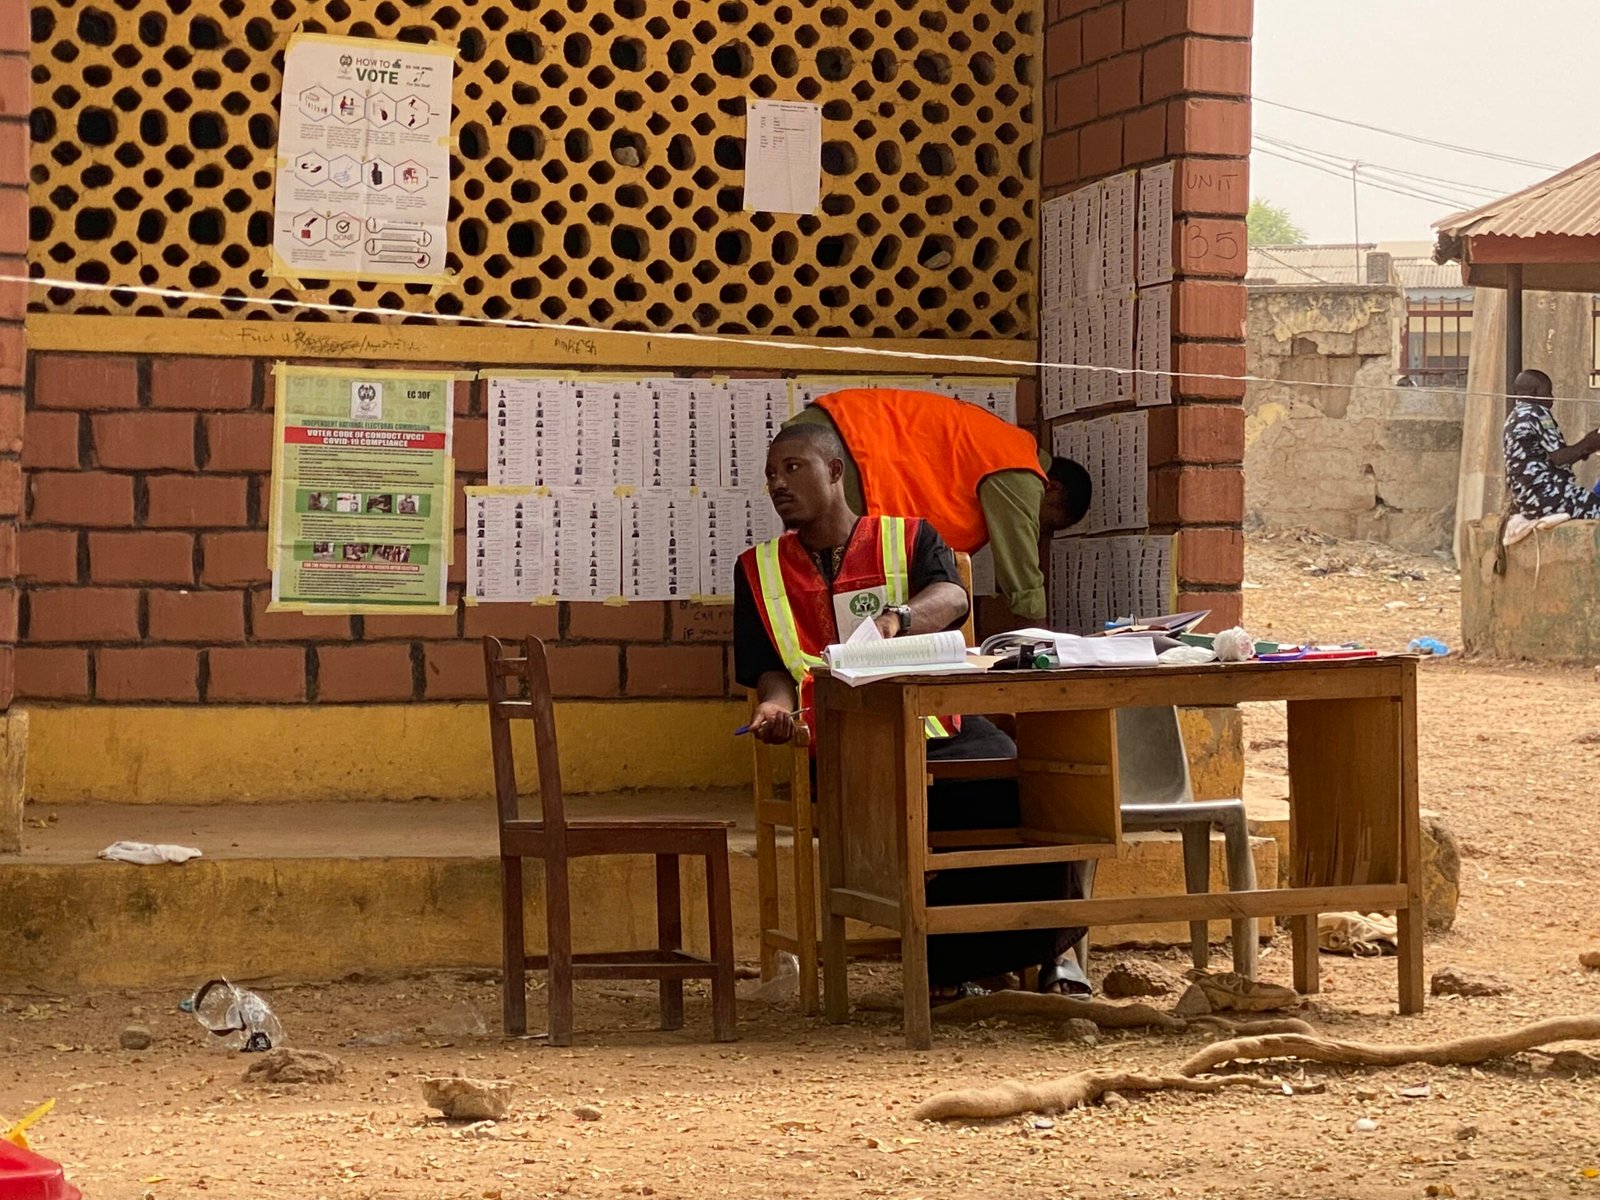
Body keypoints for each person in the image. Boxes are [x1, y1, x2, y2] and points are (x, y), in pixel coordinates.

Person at [733, 421, 1089, 997]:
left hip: (940, 723)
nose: (778, 483)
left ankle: (1045, 952)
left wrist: (896, 618)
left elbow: (952, 596)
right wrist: (774, 709)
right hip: (845, 739)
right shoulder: (756, 568)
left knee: (1028, 782)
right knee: (923, 799)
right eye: (771, 474)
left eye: (793, 468)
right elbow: (770, 669)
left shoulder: (909, 536)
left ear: (835, 471)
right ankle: (957, 966)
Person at [783, 387, 1092, 622]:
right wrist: (1044, 646)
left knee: (827, 585)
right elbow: (1022, 577)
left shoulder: (1003, 449)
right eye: (1046, 522)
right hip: (848, 445)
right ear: (1052, 488)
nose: (1037, 531)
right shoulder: (1019, 468)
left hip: (832, 437)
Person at [1503, 369, 1600, 541]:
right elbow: (1560, 458)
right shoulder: (1537, 412)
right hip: (1548, 497)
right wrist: (1589, 442)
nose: (1552, 398)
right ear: (1534, 392)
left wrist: (1585, 449)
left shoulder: (1515, 415)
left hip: (1529, 500)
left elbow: (1553, 458)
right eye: (1548, 392)